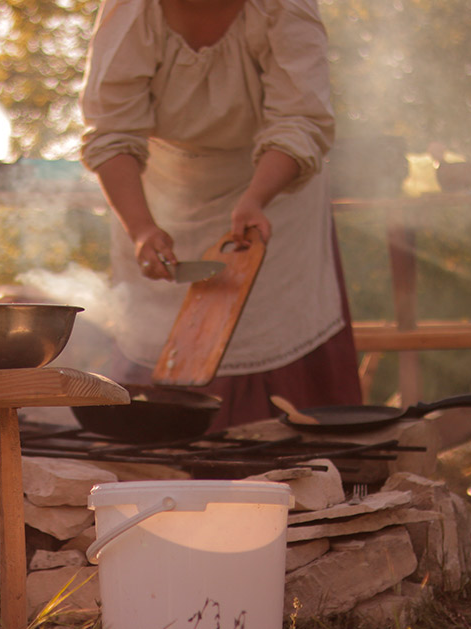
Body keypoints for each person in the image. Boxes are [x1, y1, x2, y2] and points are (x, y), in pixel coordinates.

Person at [79, 0, 363, 430]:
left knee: (274, 352)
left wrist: (256, 198)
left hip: (276, 190)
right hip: (159, 197)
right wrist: (141, 228)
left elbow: (300, 121)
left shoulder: (284, 7)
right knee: (158, 352)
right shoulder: (132, 9)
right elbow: (111, 132)